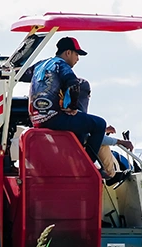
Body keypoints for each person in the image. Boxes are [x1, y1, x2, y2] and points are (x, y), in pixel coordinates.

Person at [28, 37, 130, 182]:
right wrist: (72, 107)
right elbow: (74, 84)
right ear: (68, 53)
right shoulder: (61, 65)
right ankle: (86, 165)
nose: (77, 59)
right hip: (54, 118)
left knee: (82, 125)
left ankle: (81, 162)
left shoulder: (41, 65)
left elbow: (23, 74)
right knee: (99, 124)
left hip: (36, 119)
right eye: (77, 55)